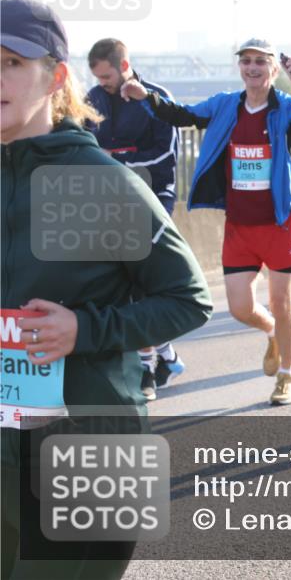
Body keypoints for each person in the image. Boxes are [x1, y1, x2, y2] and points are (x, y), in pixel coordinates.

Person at [1, 0, 211, 580]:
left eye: (11, 62)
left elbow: (188, 299)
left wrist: (83, 329)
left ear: (55, 78)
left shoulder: (99, 183)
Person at [122, 38, 291, 405]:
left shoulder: (286, 106)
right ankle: (272, 331)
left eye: (260, 62)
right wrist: (144, 96)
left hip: (281, 220)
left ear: (272, 69)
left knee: (281, 302)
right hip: (240, 225)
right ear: (240, 67)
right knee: (240, 308)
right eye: (246, 61)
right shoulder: (225, 105)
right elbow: (181, 115)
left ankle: (287, 375)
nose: (252, 68)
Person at [86, 37, 185, 400]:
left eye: (106, 76)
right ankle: (166, 357)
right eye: (97, 77)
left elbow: (166, 155)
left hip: (153, 197)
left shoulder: (156, 97)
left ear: (124, 67)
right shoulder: (92, 99)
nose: (101, 84)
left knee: (140, 284)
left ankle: (146, 369)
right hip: (109, 199)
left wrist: (119, 160)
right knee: (121, 286)